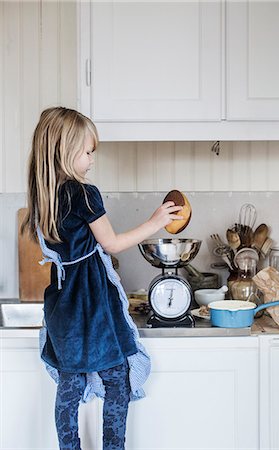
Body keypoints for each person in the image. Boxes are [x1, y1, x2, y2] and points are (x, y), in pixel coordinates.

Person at [21, 106, 183, 450]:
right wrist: (155, 222)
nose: (92, 159)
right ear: (65, 150)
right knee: (117, 380)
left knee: (70, 383)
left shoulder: (44, 196)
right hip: (91, 302)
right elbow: (112, 244)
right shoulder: (82, 193)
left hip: (63, 301)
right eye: (88, 151)